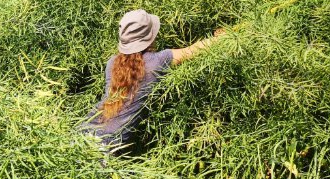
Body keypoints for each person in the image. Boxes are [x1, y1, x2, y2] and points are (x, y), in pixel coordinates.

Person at [80, 9, 223, 156]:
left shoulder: (112, 63)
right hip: (105, 145)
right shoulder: (157, 61)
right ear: (150, 37)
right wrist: (222, 38)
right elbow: (193, 50)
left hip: (84, 131)